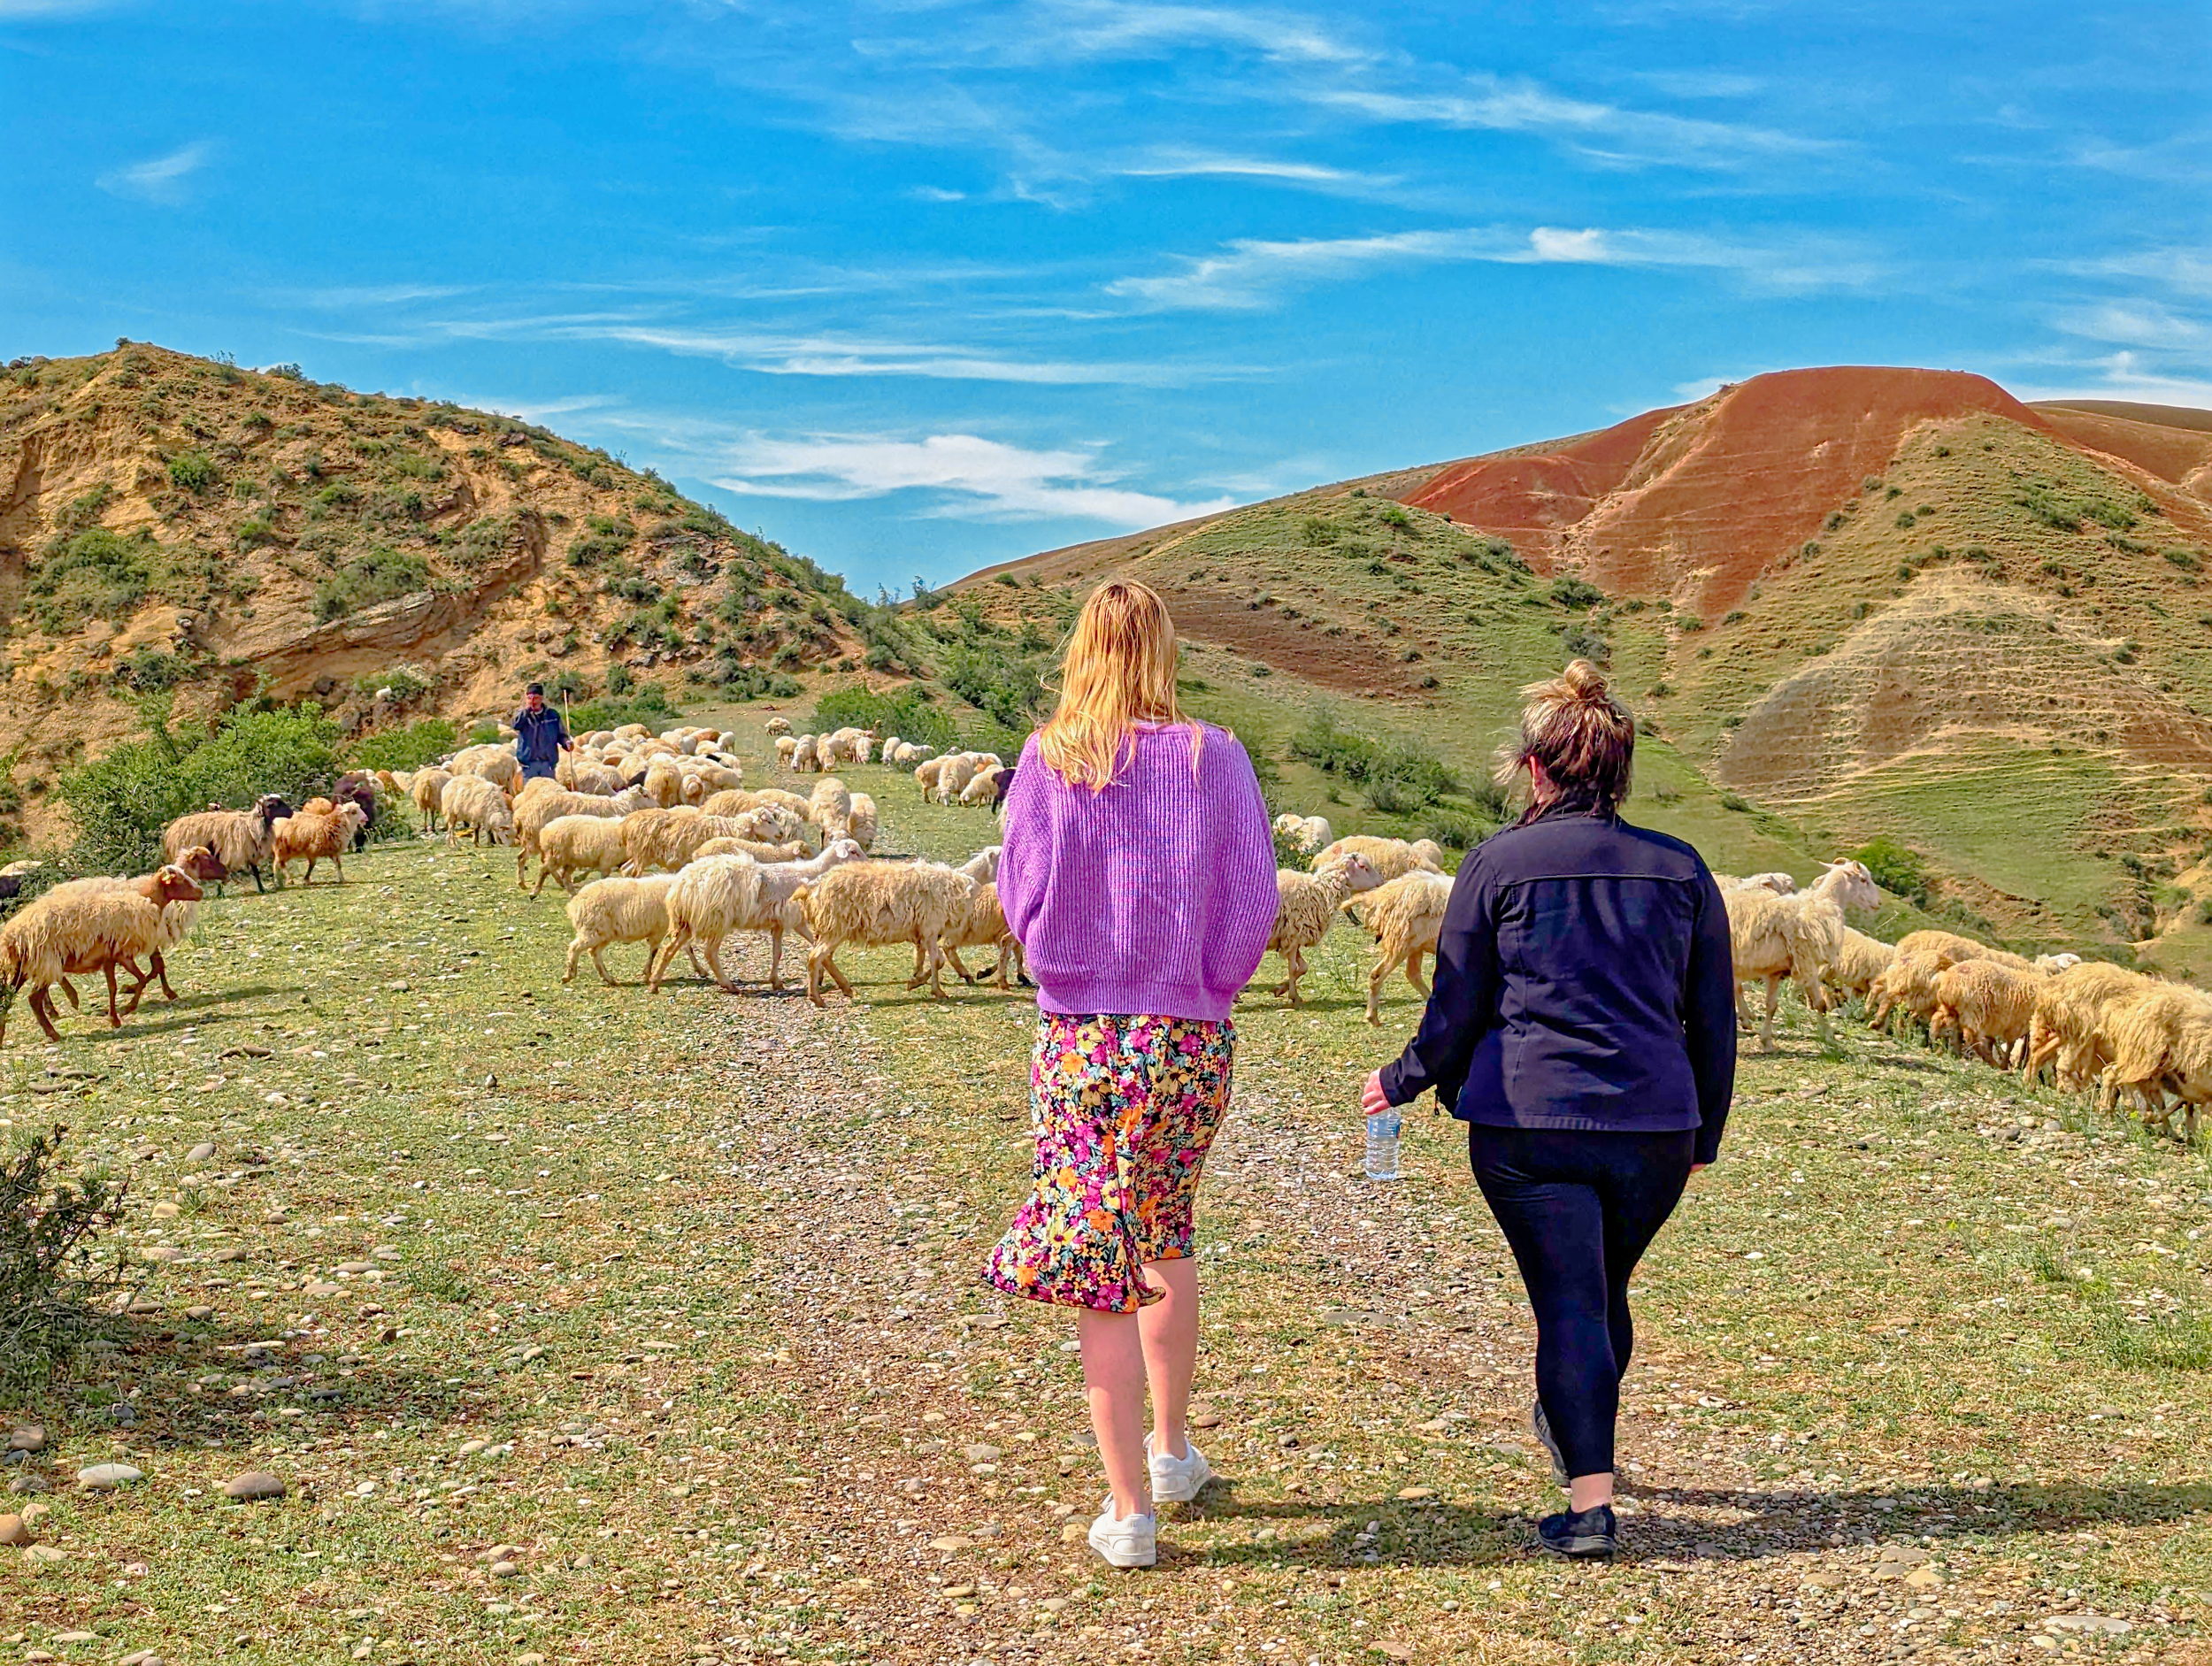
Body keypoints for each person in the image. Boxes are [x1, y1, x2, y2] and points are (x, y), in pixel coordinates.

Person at [1360, 660, 1736, 1559]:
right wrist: (1703, 1135)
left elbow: (1457, 1003)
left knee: (1571, 1302)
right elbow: (1713, 1018)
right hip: (1653, 1127)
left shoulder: (1495, 862)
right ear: (1616, 771)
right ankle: (1578, 1421)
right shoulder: (1679, 868)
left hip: (1527, 1128)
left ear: (1534, 770)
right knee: (1600, 1289)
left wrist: (1405, 1076)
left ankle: (1590, 1502)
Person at [983, 579, 1279, 1571]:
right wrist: (1206, 985)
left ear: (1081, 651)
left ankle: (1128, 1511)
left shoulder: (1045, 760)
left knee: (1091, 1248)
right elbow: (1252, 896)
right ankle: (1168, 1452)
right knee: (1165, 1225)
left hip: (1081, 1039)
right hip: (1188, 1036)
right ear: (1161, 649)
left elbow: (1017, 894)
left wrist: (1065, 962)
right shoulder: (1215, 757)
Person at [512, 683, 572, 783]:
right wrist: (527, 709)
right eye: (529, 698)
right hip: (529, 765)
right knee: (531, 795)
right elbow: (515, 725)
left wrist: (567, 743)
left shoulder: (552, 716)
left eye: (535, 698)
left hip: (547, 764)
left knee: (549, 794)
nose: (533, 701)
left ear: (541, 698)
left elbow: (561, 735)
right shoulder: (522, 715)